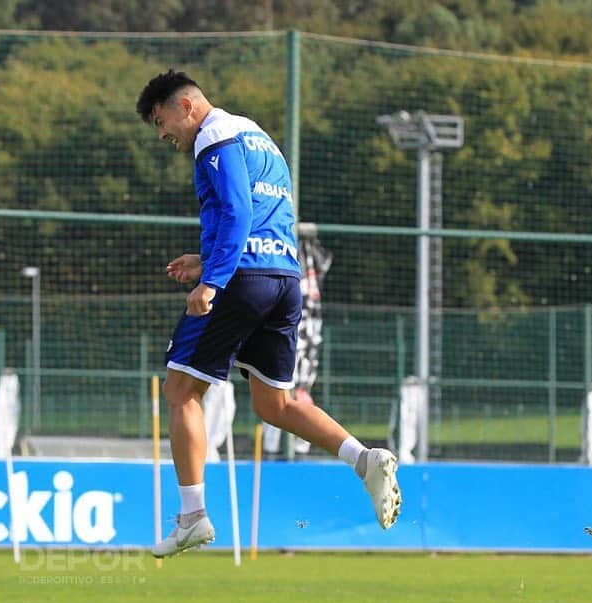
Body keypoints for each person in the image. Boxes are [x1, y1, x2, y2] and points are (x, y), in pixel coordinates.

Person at [136, 70, 402, 558]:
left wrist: (212, 280)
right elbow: (261, 214)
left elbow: (237, 211)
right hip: (283, 278)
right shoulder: (257, 135)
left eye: (161, 121)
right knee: (273, 406)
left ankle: (192, 517)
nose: (162, 134)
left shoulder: (213, 137)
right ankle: (363, 459)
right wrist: (209, 256)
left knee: (180, 390)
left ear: (186, 107)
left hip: (241, 281)